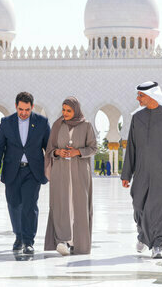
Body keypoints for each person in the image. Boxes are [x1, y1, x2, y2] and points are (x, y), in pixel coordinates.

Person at [121, 81, 162, 259]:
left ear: (152, 96)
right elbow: (131, 148)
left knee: (161, 208)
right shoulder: (137, 118)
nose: (137, 98)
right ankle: (142, 235)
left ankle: (158, 244)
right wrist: (127, 174)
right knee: (139, 205)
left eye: (140, 95)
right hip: (141, 172)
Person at [0, 92, 51, 255]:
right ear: (16, 106)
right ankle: (18, 235)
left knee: (29, 205)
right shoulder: (6, 123)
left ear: (32, 107)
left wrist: (53, 169)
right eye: (20, 109)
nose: (23, 113)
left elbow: (49, 148)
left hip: (33, 171)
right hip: (12, 170)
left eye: (27, 109)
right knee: (13, 204)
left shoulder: (42, 122)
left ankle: (28, 241)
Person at [44, 97, 97, 256]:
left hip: (80, 173)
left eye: (69, 110)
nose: (65, 113)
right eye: (63, 110)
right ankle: (62, 240)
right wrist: (58, 152)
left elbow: (93, 148)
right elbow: (49, 150)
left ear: (76, 110)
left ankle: (78, 244)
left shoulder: (86, 125)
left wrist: (78, 152)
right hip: (60, 172)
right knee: (62, 204)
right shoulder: (57, 125)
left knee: (78, 206)